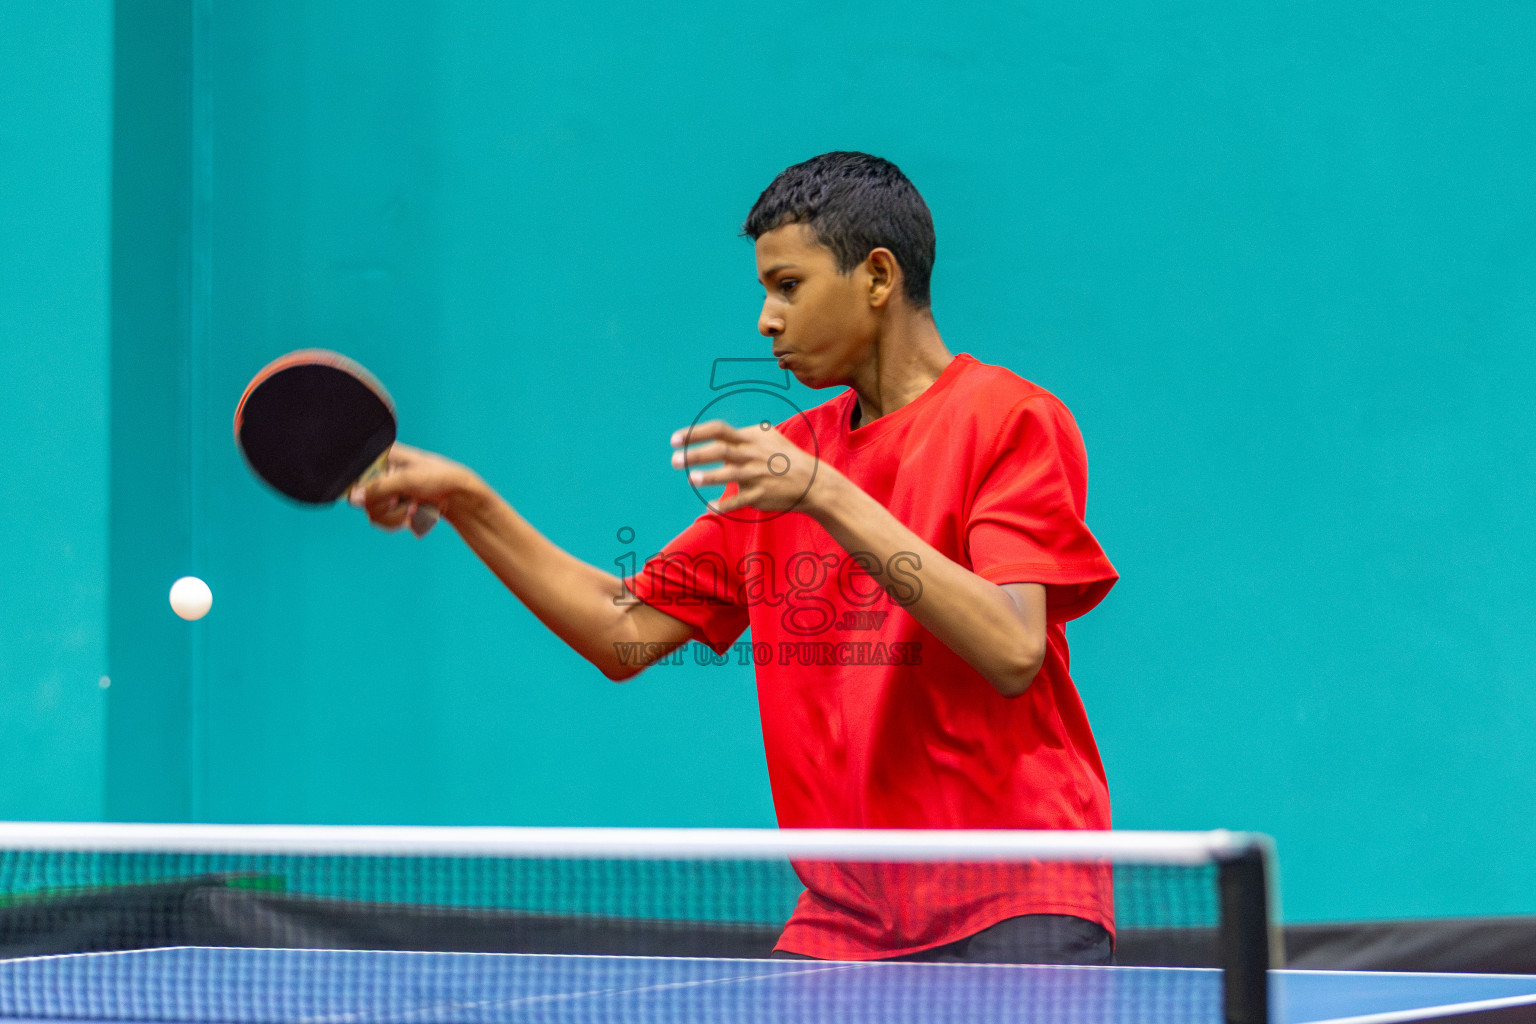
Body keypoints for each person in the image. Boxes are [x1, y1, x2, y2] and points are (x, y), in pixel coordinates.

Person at [355, 152, 1120, 964]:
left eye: (788, 286)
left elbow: (1011, 649)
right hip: (847, 917)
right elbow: (624, 634)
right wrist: (474, 503)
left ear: (878, 276)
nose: (766, 318)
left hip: (1010, 895)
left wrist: (825, 493)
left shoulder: (1007, 420)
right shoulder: (786, 463)